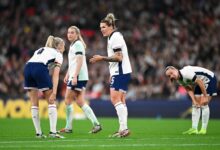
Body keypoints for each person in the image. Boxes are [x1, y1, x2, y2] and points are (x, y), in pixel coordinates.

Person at [90, 13, 132, 138]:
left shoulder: (115, 37)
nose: (101, 29)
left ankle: (124, 128)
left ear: (111, 26)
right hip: (120, 72)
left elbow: (119, 57)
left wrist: (101, 58)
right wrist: (111, 72)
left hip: (121, 72)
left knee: (114, 99)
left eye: (103, 27)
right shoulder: (112, 37)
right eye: (100, 27)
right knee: (121, 100)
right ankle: (123, 128)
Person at [59, 26, 102, 134]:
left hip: (78, 76)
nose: (69, 34)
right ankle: (96, 124)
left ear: (77, 34)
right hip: (77, 76)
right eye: (68, 32)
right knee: (79, 101)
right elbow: (73, 62)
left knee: (67, 100)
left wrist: (74, 76)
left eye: (72, 32)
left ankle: (68, 127)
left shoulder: (77, 44)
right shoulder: (73, 45)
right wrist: (68, 74)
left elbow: (79, 61)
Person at [24, 35, 65, 138]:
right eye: (64, 45)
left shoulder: (40, 49)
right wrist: (54, 92)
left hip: (27, 68)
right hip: (39, 68)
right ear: (60, 46)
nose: (65, 48)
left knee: (34, 103)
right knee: (51, 101)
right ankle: (53, 132)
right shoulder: (58, 53)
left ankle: (38, 133)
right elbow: (55, 75)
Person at [165, 65, 218, 135]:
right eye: (169, 76)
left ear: (175, 69)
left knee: (204, 103)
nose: (171, 76)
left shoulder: (186, 73)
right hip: (199, 82)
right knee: (195, 105)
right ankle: (194, 128)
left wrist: (205, 96)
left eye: (171, 73)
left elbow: (199, 82)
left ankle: (203, 129)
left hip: (209, 78)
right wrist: (194, 100)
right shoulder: (179, 80)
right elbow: (188, 88)